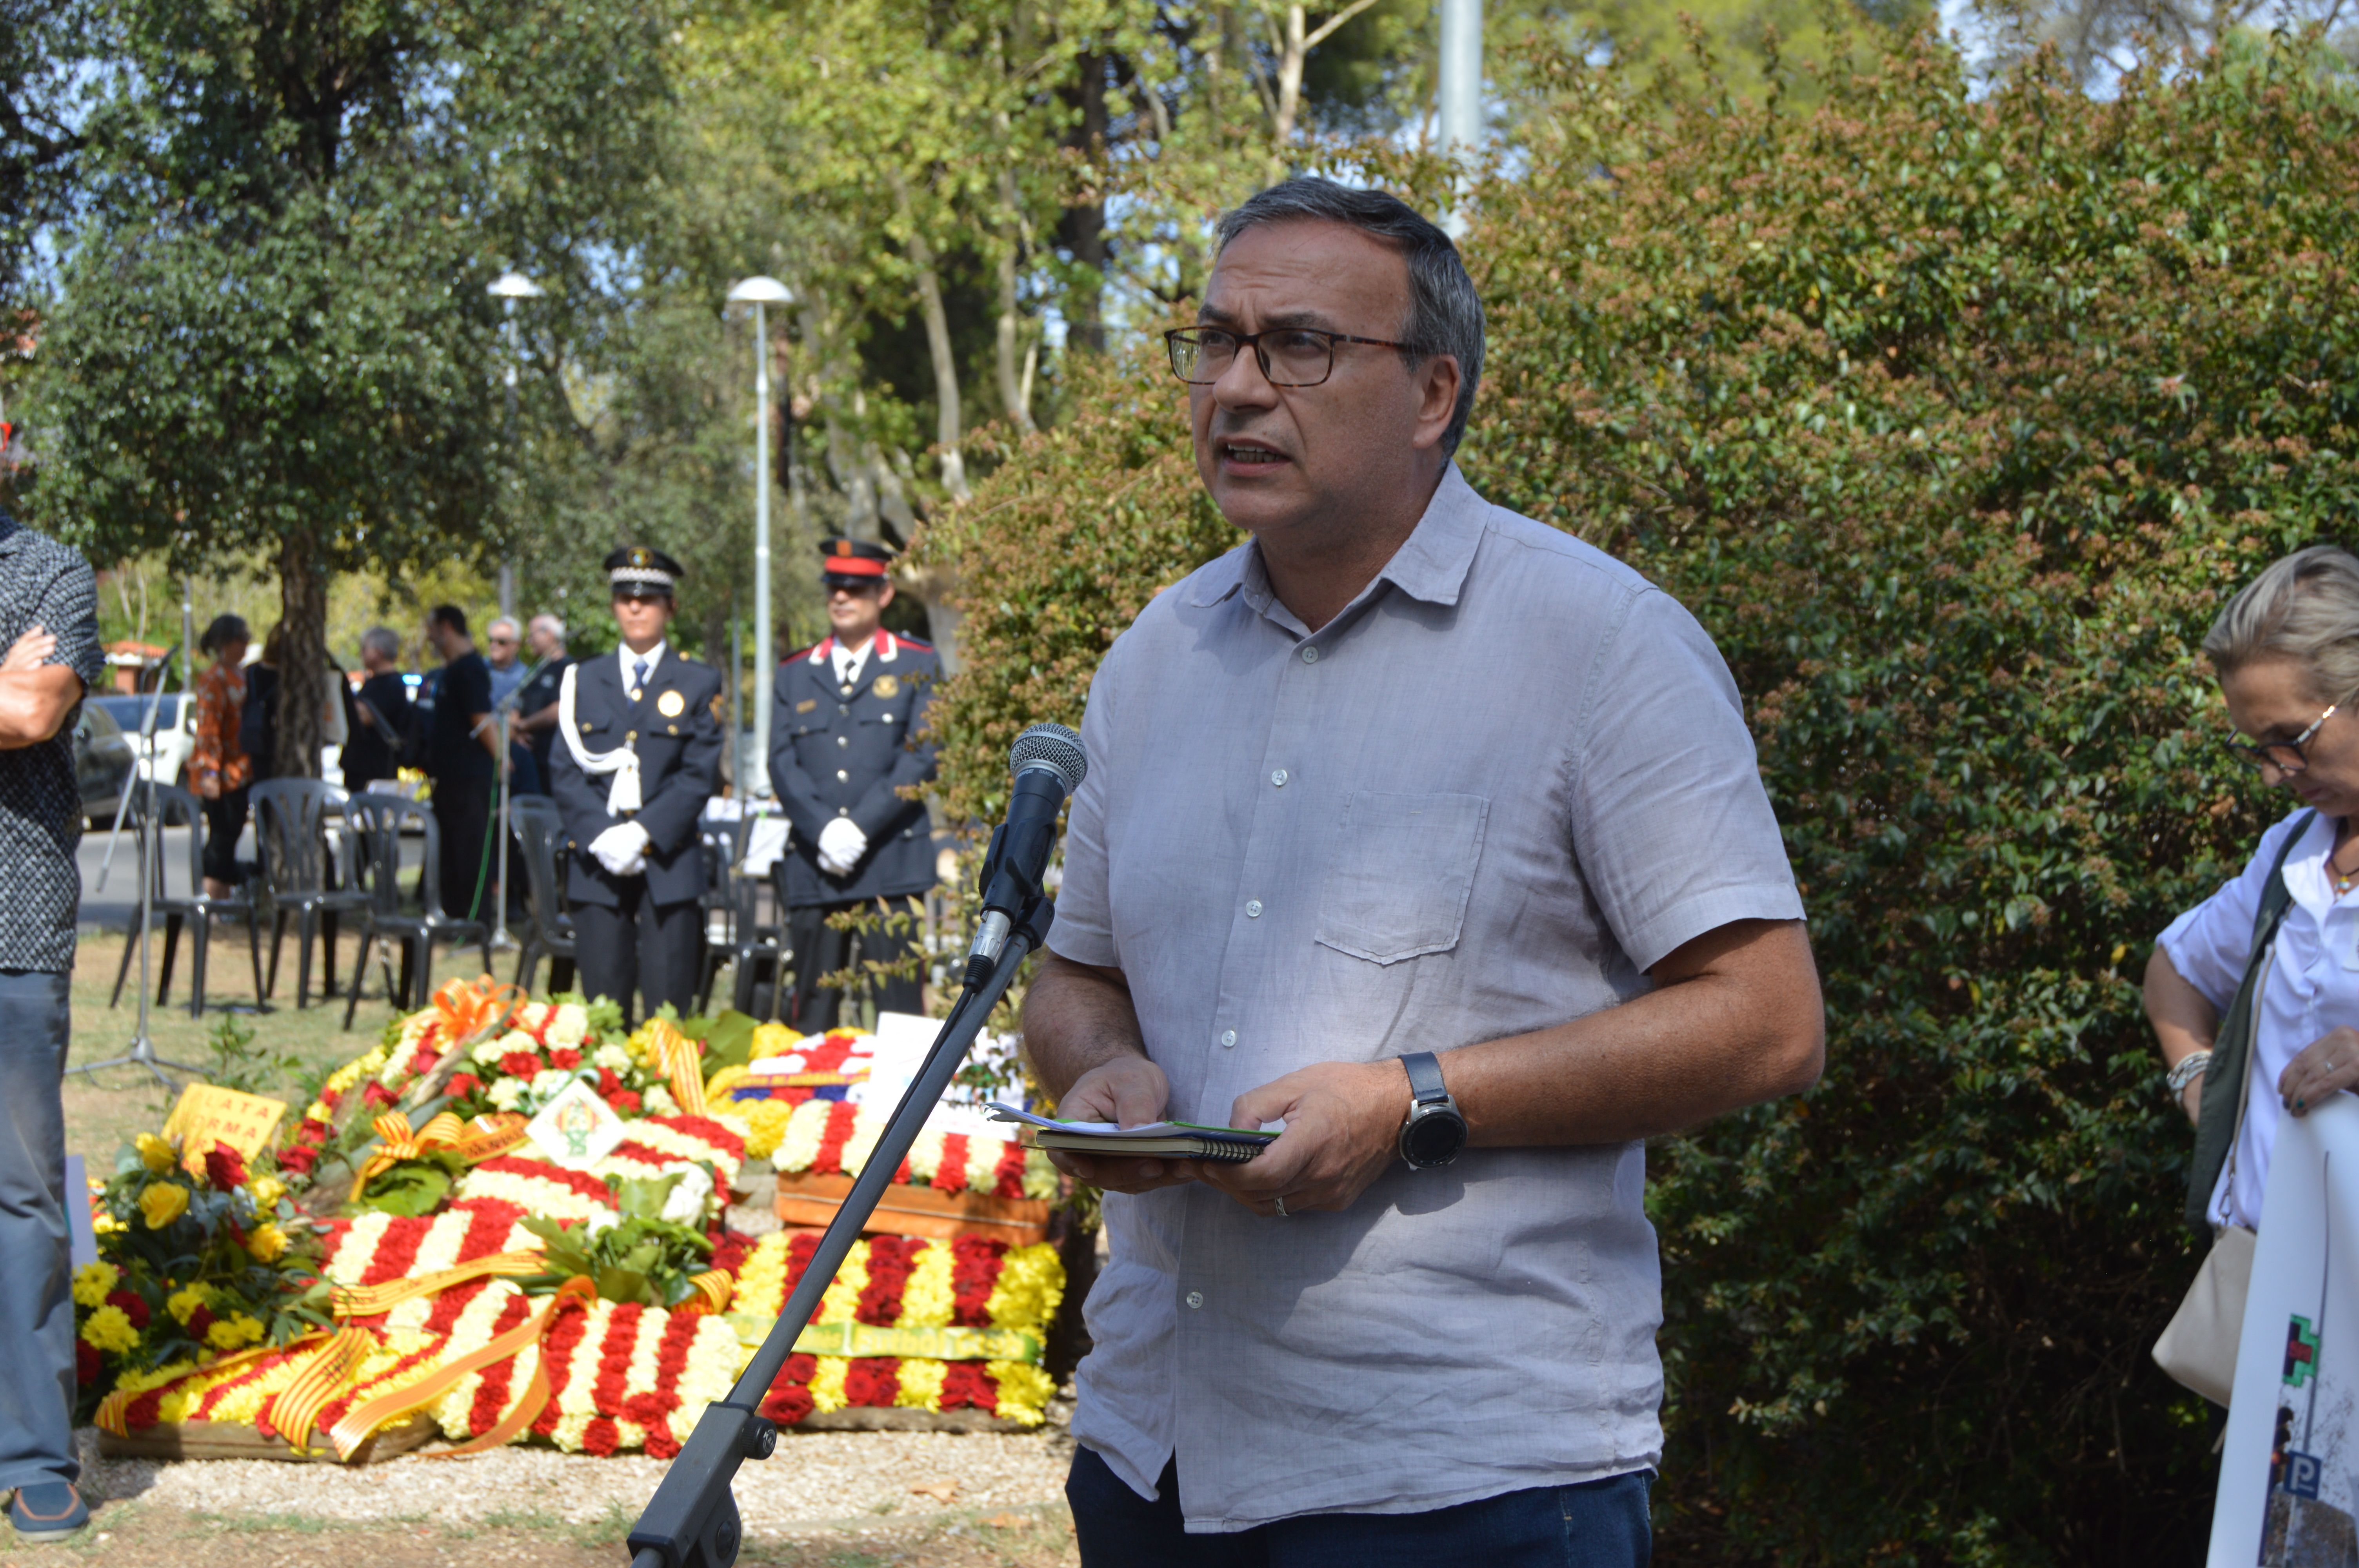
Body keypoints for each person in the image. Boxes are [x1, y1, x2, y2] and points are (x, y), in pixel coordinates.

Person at [1022, 180, 1825, 1563]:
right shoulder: (1155, 655)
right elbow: (1076, 975)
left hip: (1463, 1477)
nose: (1237, 387)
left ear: (1433, 392)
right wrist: (1101, 1072)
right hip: (1153, 1454)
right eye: (1213, 342)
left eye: (1300, 346)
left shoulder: (1597, 646)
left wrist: (1414, 1105)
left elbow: (1766, 1021)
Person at [2148, 547, 2359, 1247]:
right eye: (2257, 750)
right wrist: (2200, 1083)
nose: (2275, 775)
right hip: (2265, 1292)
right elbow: (2176, 968)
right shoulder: (2295, 852)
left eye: (2289, 740)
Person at [0, 507, 105, 1541]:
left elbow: (28, 714)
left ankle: (33, 1452)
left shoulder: (51, 571)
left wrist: (10, 687)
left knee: (20, 1199)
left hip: (12, 927)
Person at [769, 538, 941, 1030]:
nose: (842, 597)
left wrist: (860, 827)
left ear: (883, 593)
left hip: (891, 858)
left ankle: (899, 1111)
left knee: (901, 1016)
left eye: (857, 587)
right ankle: (814, 1109)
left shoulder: (916, 662)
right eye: (834, 587)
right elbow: (781, 761)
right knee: (812, 1015)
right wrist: (824, 830)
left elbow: (923, 754)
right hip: (816, 862)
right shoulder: (796, 672)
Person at [548, 548, 722, 1023]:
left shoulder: (699, 680)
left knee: (669, 1011)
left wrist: (642, 832)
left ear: (670, 607)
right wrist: (603, 835)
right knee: (604, 1011)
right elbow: (564, 769)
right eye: (625, 598)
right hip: (597, 863)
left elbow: (700, 772)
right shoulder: (582, 679)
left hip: (668, 862)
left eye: (650, 599)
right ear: (614, 605)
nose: (636, 608)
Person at [418, 605, 498, 920]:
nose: (428, 636)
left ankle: (475, 918)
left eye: (431, 627)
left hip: (469, 778)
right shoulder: (450, 670)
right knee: (450, 851)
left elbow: (481, 718)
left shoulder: (470, 669)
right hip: (448, 778)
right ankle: (451, 913)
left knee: (470, 849)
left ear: (446, 627)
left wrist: (501, 759)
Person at [187, 613, 252, 898]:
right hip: (222, 776)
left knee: (232, 836)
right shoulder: (214, 679)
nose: (247, 643)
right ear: (227, 642)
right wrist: (210, 773)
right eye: (242, 638)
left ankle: (223, 898)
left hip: (242, 771)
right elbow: (209, 729)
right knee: (221, 839)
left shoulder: (242, 675)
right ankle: (211, 900)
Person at [342, 626, 414, 793]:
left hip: (376, 771)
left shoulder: (391, 684)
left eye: (365, 648)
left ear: (378, 652)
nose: (361, 653)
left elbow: (364, 717)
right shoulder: (375, 682)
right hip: (360, 767)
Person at [513, 613, 572, 789]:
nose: (529, 641)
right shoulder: (533, 671)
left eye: (532, 635)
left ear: (549, 635)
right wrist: (516, 733)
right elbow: (516, 704)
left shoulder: (568, 668)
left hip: (553, 759)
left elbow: (559, 709)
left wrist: (523, 726)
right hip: (527, 759)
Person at [484, 616, 527, 710]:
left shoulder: (526, 677)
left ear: (516, 645)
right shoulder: (478, 670)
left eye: (501, 642)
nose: (494, 646)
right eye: (491, 641)